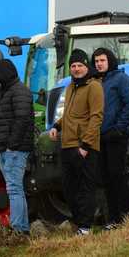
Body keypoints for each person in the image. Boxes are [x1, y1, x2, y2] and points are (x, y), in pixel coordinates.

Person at [49, 49, 104, 235]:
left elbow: (96, 117)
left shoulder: (94, 86)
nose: (76, 69)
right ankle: (79, 222)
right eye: (73, 66)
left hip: (83, 146)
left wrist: (86, 146)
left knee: (85, 188)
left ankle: (86, 227)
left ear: (86, 66)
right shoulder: (71, 87)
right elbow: (69, 115)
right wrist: (57, 126)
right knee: (69, 187)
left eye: (80, 65)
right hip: (67, 144)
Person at [0, 59, 35, 235]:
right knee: (15, 188)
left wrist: (11, 146)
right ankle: (21, 227)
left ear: (4, 74)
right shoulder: (8, 92)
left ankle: (18, 228)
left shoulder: (18, 92)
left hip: (14, 150)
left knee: (14, 188)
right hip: (6, 149)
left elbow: (22, 120)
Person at [92, 47, 129, 230]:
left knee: (117, 176)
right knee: (105, 178)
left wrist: (119, 127)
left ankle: (124, 216)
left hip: (116, 136)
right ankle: (112, 218)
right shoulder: (96, 82)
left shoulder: (121, 79)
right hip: (100, 137)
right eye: (96, 61)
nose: (99, 64)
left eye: (102, 60)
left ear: (109, 60)